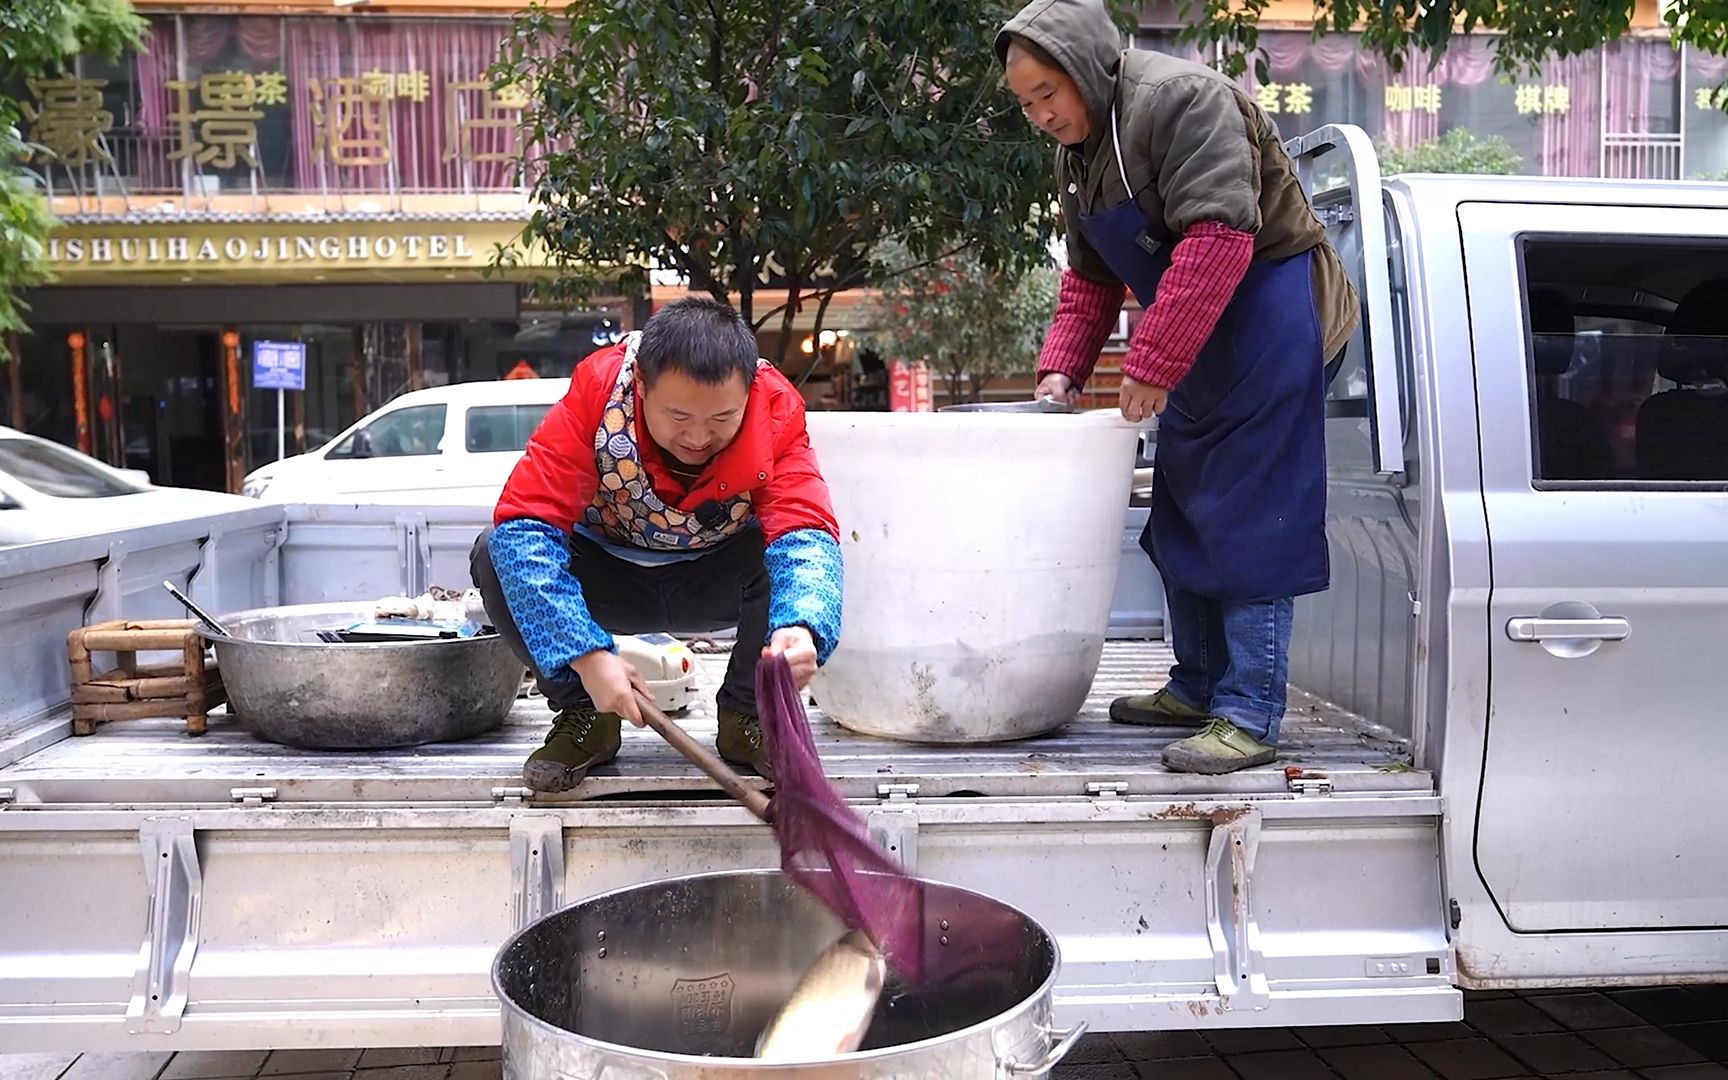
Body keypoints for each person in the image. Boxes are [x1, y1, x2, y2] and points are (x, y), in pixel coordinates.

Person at [997, 0, 1359, 775]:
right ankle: (1196, 686)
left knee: (1252, 518)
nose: (1039, 115)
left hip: (1270, 315)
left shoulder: (1185, 101)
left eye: (1048, 93)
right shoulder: (1080, 152)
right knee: (1185, 506)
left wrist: (1152, 361)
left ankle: (1250, 713)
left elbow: (1221, 237)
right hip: (1198, 331)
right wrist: (1061, 369)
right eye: (1025, 103)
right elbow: (1092, 278)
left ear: (1089, 68)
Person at [471, 296, 844, 792]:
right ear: (641, 385)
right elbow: (526, 526)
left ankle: (749, 717)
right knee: (497, 549)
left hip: (715, 581)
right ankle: (586, 713)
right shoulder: (599, 389)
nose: (698, 437)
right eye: (679, 415)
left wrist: (799, 626)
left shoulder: (775, 405)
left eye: (721, 419)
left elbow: (805, 527)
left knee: (784, 553)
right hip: (606, 579)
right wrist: (584, 656)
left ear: (749, 394)